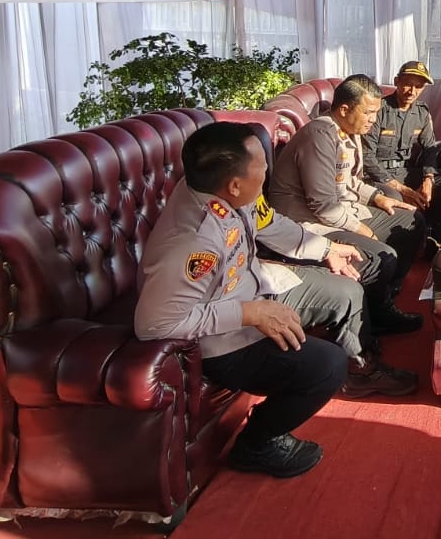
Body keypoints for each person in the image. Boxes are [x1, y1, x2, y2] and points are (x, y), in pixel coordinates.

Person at [135, 122, 415, 479]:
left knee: (346, 291)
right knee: (327, 366)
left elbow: (269, 224)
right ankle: (257, 443)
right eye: (263, 169)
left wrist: (326, 249)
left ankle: (362, 368)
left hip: (253, 287)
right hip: (221, 338)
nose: (268, 173)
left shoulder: (230, 192)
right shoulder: (192, 242)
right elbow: (156, 324)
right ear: (234, 185)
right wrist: (249, 313)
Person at [268, 73, 426, 332]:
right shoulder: (320, 136)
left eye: (376, 113)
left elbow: (350, 181)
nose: (373, 120)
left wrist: (378, 197)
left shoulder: (348, 130)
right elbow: (322, 206)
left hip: (341, 209)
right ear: (344, 109)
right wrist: (363, 230)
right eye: (368, 113)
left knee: (411, 220)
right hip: (308, 224)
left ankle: (385, 296)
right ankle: (372, 319)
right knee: (381, 256)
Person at [362, 59, 441, 242]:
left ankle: (434, 235)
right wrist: (403, 189)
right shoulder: (379, 111)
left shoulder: (422, 112)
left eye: (419, 87)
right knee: (397, 199)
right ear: (396, 82)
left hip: (406, 171)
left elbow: (430, 149)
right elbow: (367, 157)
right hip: (379, 177)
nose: (412, 91)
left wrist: (428, 179)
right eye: (408, 84)